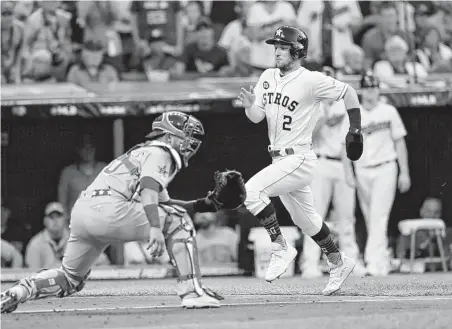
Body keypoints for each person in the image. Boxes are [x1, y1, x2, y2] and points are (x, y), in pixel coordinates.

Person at [1, 111, 224, 313]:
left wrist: (207, 204)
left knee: (70, 279)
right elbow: (149, 191)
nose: (189, 142)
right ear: (167, 136)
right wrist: (156, 228)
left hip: (83, 212)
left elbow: (164, 202)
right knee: (179, 222)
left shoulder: (142, 153)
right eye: (184, 136)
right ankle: (192, 293)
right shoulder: (161, 152)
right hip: (111, 209)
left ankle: (21, 291)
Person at [237, 26, 363, 295]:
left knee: (251, 191)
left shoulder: (311, 80)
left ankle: (280, 247)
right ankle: (338, 261)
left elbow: (349, 93)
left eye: (282, 47)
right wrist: (250, 105)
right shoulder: (268, 76)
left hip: (299, 157)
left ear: (297, 50)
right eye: (276, 47)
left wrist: (355, 129)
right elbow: (257, 117)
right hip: (278, 158)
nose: (277, 51)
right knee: (307, 222)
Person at [341, 73, 411, 277]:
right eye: (367, 87)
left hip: (386, 167)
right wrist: (349, 172)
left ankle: (373, 261)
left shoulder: (389, 111)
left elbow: (400, 142)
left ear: (379, 89)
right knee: (370, 216)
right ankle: (381, 259)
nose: (371, 91)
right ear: (362, 90)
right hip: (362, 169)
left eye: (374, 87)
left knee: (378, 215)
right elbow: (345, 145)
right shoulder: (354, 114)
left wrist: (404, 172)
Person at [301, 67, 364, 278]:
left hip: (341, 163)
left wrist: (349, 172)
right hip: (319, 162)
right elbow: (308, 136)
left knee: (346, 216)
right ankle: (309, 264)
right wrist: (323, 112)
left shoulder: (344, 106)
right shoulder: (310, 105)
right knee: (315, 216)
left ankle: (352, 261)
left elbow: (346, 141)